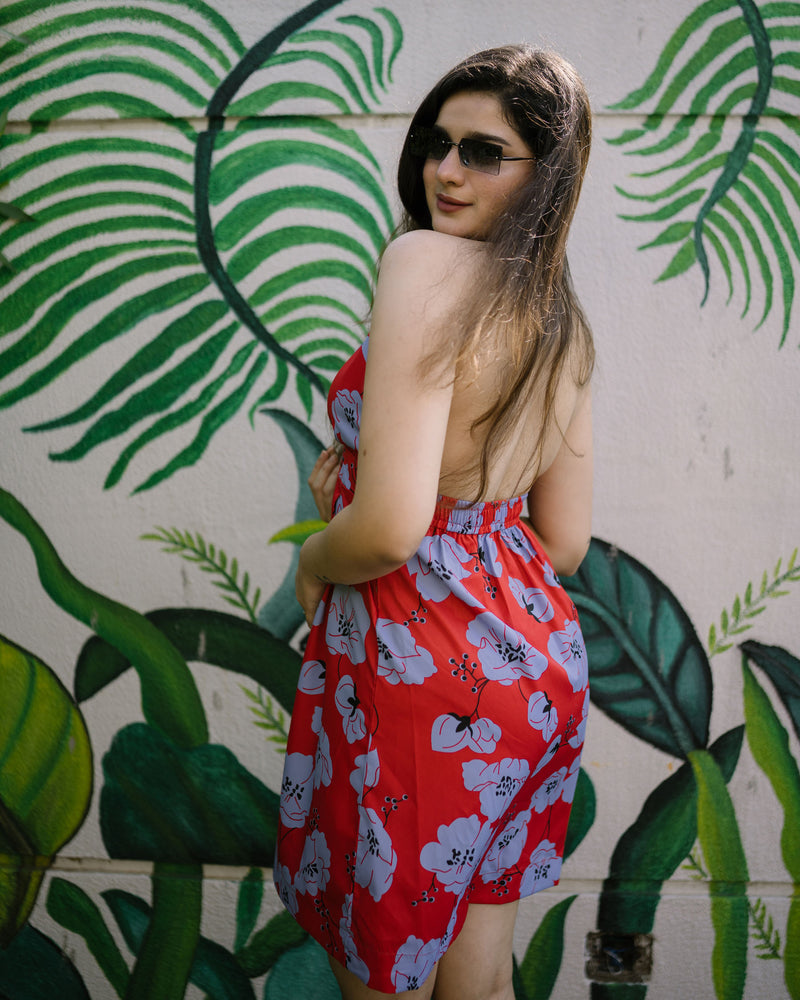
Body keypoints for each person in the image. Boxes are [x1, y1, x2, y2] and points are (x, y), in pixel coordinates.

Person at [274, 44, 594, 1000]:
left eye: (484, 152)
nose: (446, 171)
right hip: (535, 672)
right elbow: (564, 542)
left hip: (425, 681)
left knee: (387, 982)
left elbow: (391, 528)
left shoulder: (420, 262)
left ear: (548, 175)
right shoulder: (562, 318)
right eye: (437, 144)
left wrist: (320, 563)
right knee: (478, 976)